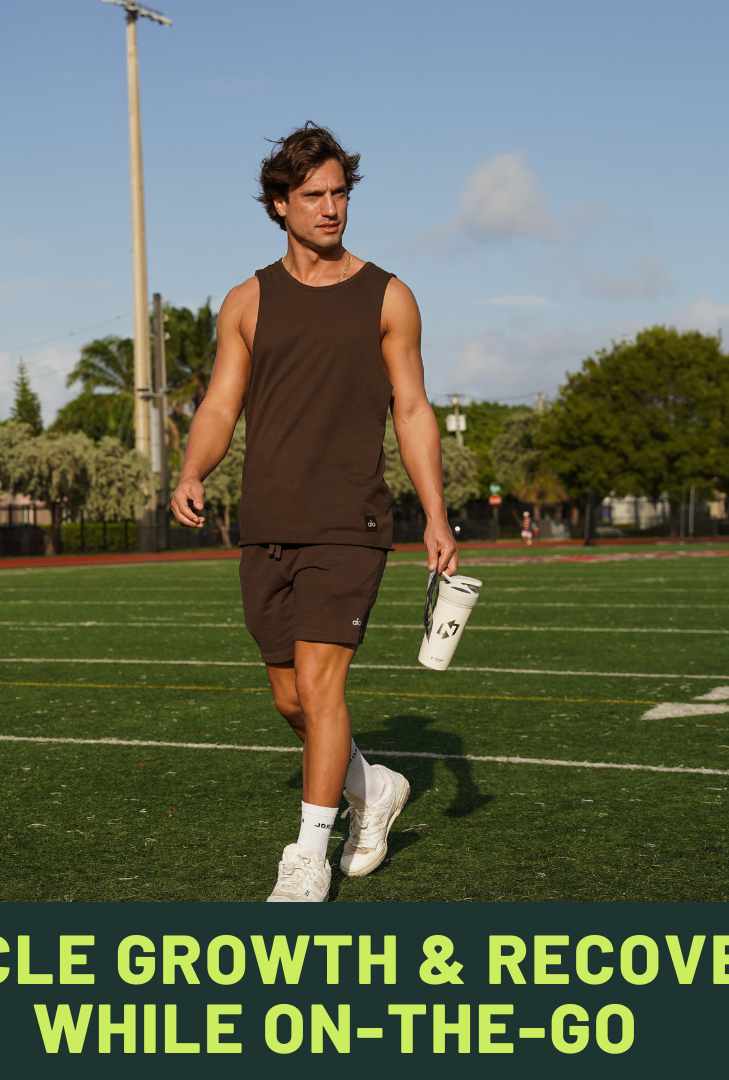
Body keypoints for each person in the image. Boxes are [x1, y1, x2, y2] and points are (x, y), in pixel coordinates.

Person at [170, 123, 458, 903]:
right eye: (313, 196)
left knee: (322, 687)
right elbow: (221, 402)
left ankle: (307, 857)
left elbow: (413, 410)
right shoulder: (247, 301)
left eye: (340, 193)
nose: (331, 209)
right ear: (279, 204)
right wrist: (193, 469)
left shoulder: (389, 296)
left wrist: (435, 512)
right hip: (267, 521)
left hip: (351, 522)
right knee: (290, 699)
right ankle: (375, 786)